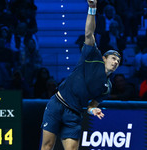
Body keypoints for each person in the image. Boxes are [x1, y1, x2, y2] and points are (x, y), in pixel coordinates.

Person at [40, 0, 121, 150]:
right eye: (113, 58)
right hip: (57, 104)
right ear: (104, 58)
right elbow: (89, 34)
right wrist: (92, 8)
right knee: (47, 146)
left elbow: (91, 105)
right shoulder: (92, 56)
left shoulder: (107, 88)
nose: (116, 62)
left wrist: (93, 110)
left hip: (74, 114)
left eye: (118, 61)